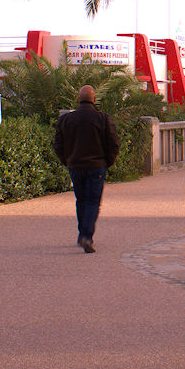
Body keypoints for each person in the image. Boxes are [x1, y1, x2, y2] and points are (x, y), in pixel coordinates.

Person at [53, 84, 121, 253]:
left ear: (78, 99)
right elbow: (113, 144)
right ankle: (86, 236)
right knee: (92, 202)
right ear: (94, 100)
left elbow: (58, 145)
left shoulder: (66, 120)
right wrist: (107, 162)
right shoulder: (102, 119)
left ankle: (82, 233)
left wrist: (67, 161)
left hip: (75, 166)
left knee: (81, 200)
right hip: (96, 166)